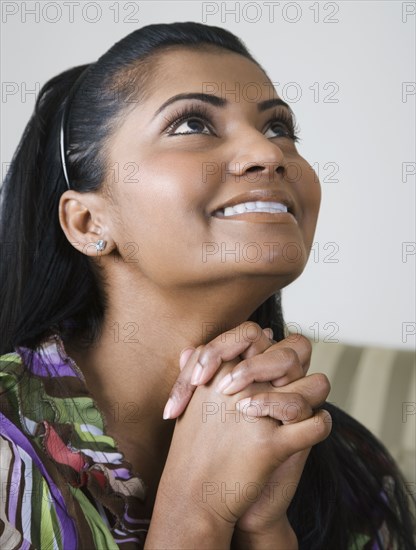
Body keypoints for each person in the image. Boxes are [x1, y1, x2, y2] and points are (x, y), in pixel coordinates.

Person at [0, 21, 414, 550]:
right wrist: (195, 512)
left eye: (277, 127)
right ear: (87, 223)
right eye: (192, 122)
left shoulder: (347, 462)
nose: (270, 154)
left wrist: (265, 530)